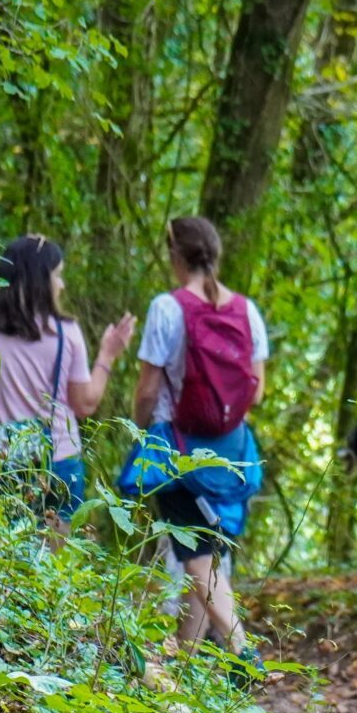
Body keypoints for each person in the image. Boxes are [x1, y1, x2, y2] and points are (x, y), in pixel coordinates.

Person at [132, 217, 268, 656]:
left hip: (178, 447)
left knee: (196, 554)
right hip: (232, 451)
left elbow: (148, 388)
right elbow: (258, 389)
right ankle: (185, 665)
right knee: (203, 551)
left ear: (175, 256)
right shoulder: (247, 311)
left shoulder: (167, 309)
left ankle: (241, 649)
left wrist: (140, 431)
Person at [0, 233, 133, 544]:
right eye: (58, 276)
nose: (62, 285)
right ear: (41, 280)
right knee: (53, 568)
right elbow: (85, 403)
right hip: (58, 462)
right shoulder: (65, 333)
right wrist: (108, 354)